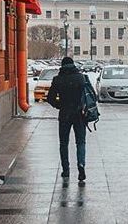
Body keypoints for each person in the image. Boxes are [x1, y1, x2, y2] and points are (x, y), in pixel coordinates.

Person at [47, 56, 89, 184]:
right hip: (79, 114)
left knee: (63, 143)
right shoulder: (80, 78)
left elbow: (50, 98)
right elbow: (86, 96)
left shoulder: (58, 79)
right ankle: (81, 164)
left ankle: (66, 169)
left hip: (64, 114)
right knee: (80, 142)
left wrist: (59, 105)